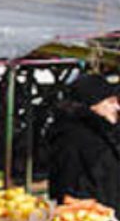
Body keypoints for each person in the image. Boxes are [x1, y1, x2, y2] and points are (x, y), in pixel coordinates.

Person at [47, 74, 120, 212]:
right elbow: (70, 189)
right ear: (93, 105)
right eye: (111, 102)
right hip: (91, 217)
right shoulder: (73, 138)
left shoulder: (105, 133)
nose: (117, 107)